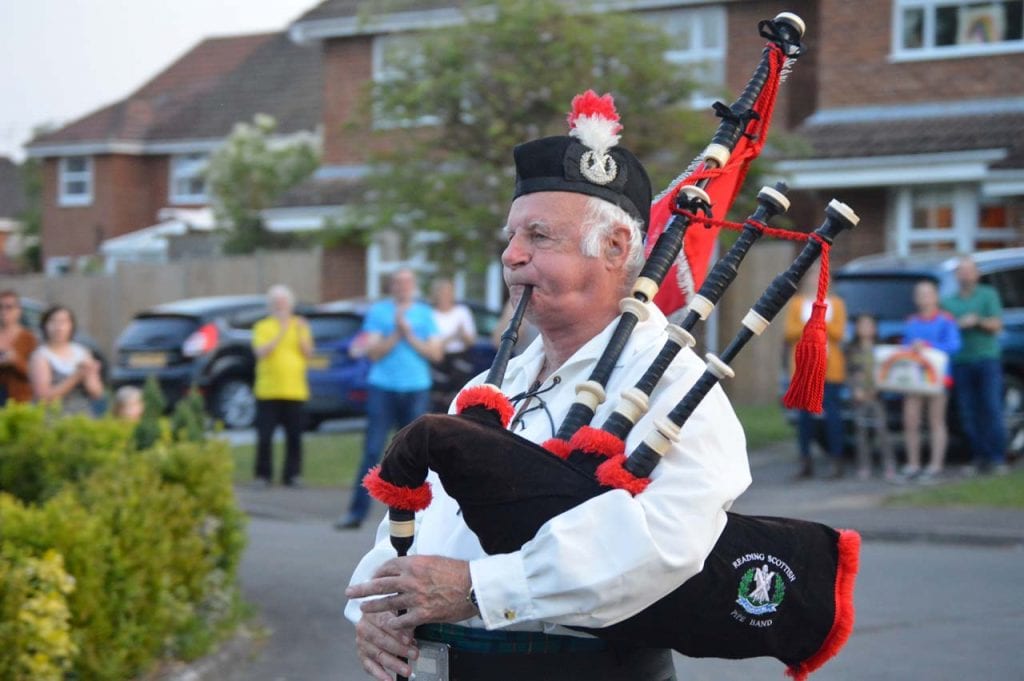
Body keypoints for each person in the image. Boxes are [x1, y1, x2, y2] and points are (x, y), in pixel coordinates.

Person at [344, 98, 749, 680]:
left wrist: (480, 590)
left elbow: (664, 540)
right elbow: (415, 519)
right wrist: (376, 612)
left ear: (614, 249)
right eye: (511, 236)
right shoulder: (486, 388)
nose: (512, 255)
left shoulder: (676, 386)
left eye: (539, 236)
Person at [336, 269, 442, 530]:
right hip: (382, 387)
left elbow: (436, 354)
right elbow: (373, 353)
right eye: (398, 283)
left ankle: (414, 516)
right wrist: (396, 332)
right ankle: (356, 513)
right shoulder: (379, 312)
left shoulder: (424, 313)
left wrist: (409, 334)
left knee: (414, 453)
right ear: (391, 287)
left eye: (407, 283)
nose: (403, 287)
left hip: (416, 387)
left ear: (414, 286)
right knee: (373, 449)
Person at [941, 256, 1009, 475]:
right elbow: (944, 328)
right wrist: (960, 325)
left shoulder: (988, 295)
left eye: (969, 271)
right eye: (961, 271)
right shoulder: (948, 302)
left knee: (991, 408)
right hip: (961, 362)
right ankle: (978, 456)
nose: (965, 275)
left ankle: (997, 458)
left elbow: (997, 325)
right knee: (968, 412)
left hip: (987, 360)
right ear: (956, 276)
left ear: (977, 274)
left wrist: (977, 321)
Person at [783, 268, 848, 479]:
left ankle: (836, 460)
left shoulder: (836, 304)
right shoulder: (797, 303)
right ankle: (805, 460)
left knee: (833, 415)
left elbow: (839, 332)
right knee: (804, 418)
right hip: (804, 368)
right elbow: (789, 331)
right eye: (813, 275)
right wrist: (818, 325)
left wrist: (814, 324)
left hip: (830, 368)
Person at [251, 284, 313, 488]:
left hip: (294, 390)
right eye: (276, 303)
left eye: (284, 303)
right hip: (268, 390)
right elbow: (261, 352)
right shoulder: (263, 326)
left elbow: (308, 353)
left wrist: (299, 331)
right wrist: (281, 332)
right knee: (265, 435)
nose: (281, 306)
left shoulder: (300, 325)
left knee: (294, 436)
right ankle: (263, 475)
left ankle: (292, 475)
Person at [900, 280, 961, 482]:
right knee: (911, 420)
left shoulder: (945, 320)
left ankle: (936, 465)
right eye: (920, 294)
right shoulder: (912, 322)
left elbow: (953, 346)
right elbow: (905, 348)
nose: (924, 298)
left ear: (935, 297)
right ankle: (913, 464)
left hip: (938, 377)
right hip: (914, 378)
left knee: (936, 420)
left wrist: (927, 345)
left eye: (928, 294)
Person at [846, 314, 897, 481]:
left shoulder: (881, 348)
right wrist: (855, 389)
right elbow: (848, 372)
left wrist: (878, 388)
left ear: (875, 328)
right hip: (860, 396)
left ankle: (888, 464)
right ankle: (864, 465)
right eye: (862, 325)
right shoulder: (851, 349)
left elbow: (887, 370)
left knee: (882, 430)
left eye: (869, 325)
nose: (866, 329)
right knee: (861, 432)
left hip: (877, 395)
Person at [29, 305, 104, 415]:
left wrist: (91, 373)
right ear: (45, 326)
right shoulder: (40, 356)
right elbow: (43, 397)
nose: (59, 327)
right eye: (53, 322)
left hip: (81, 416)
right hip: (52, 416)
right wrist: (76, 377)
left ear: (71, 326)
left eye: (63, 322)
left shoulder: (82, 352)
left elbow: (97, 393)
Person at [429, 278, 477, 412]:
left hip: (460, 358)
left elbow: (470, 340)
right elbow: (433, 344)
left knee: (459, 395)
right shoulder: (431, 314)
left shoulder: (462, 311)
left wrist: (456, 336)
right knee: (439, 397)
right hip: (439, 359)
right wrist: (453, 336)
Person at [0, 291, 39, 405]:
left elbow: (35, 373)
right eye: (1, 307)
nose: (4, 311)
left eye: (9, 307)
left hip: (19, 398)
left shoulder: (28, 338)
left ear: (18, 310)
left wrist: (15, 360)